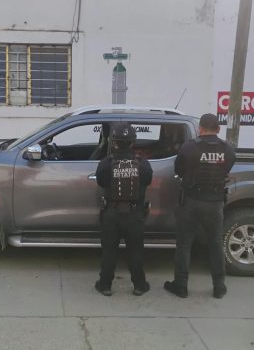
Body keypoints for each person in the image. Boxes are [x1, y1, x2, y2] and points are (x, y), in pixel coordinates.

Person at [164, 113, 236, 299]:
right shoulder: (227, 149)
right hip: (215, 202)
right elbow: (227, 169)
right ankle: (219, 286)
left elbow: (179, 170)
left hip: (191, 201)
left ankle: (181, 285)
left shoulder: (189, 147)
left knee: (184, 244)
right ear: (218, 129)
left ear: (200, 129)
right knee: (215, 244)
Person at [94, 122, 153, 296]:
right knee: (135, 251)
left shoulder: (105, 163)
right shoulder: (143, 165)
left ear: (114, 143)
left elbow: (101, 182)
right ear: (133, 142)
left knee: (109, 251)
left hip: (112, 214)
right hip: (134, 214)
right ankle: (139, 285)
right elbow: (147, 181)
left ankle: (105, 285)